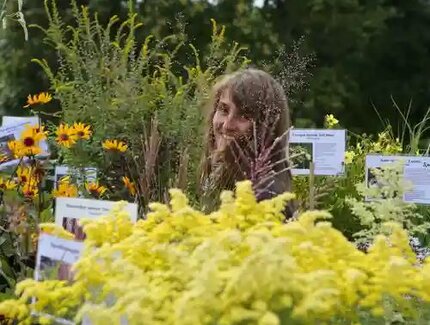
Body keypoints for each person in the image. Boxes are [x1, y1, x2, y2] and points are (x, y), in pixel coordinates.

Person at [200, 68, 296, 218]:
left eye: (243, 115)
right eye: (223, 110)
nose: (226, 125)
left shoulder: (267, 196)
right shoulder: (222, 177)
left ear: (268, 127)